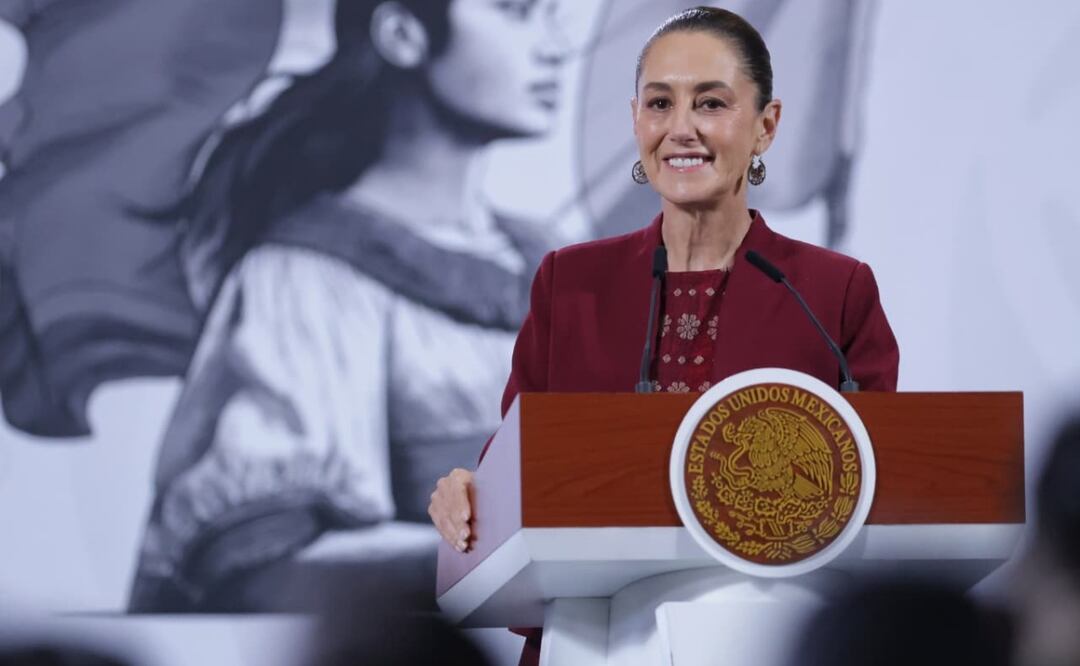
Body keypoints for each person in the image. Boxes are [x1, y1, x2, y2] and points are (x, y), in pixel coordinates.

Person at [428, 6, 899, 663]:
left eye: (710, 103)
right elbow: (515, 463)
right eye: (659, 103)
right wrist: (469, 492)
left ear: (766, 126)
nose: (681, 130)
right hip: (594, 635)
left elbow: (884, 487)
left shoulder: (831, 291)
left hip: (767, 634)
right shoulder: (571, 282)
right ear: (635, 122)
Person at [127, 0, 571, 611]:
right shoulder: (306, 277)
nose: (554, 47)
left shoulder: (560, 263)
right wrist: (535, 557)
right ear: (402, 32)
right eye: (517, 12)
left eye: (554, 16)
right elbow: (263, 562)